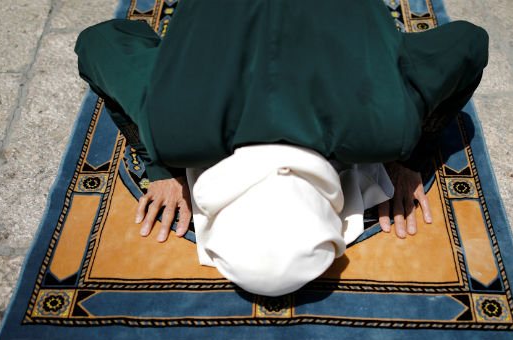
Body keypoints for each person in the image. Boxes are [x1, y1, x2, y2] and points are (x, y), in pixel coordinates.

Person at [74, 0, 488, 296]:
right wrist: (162, 163)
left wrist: (409, 157)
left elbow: (469, 45)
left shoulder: (385, 133)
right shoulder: (172, 134)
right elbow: (98, 43)